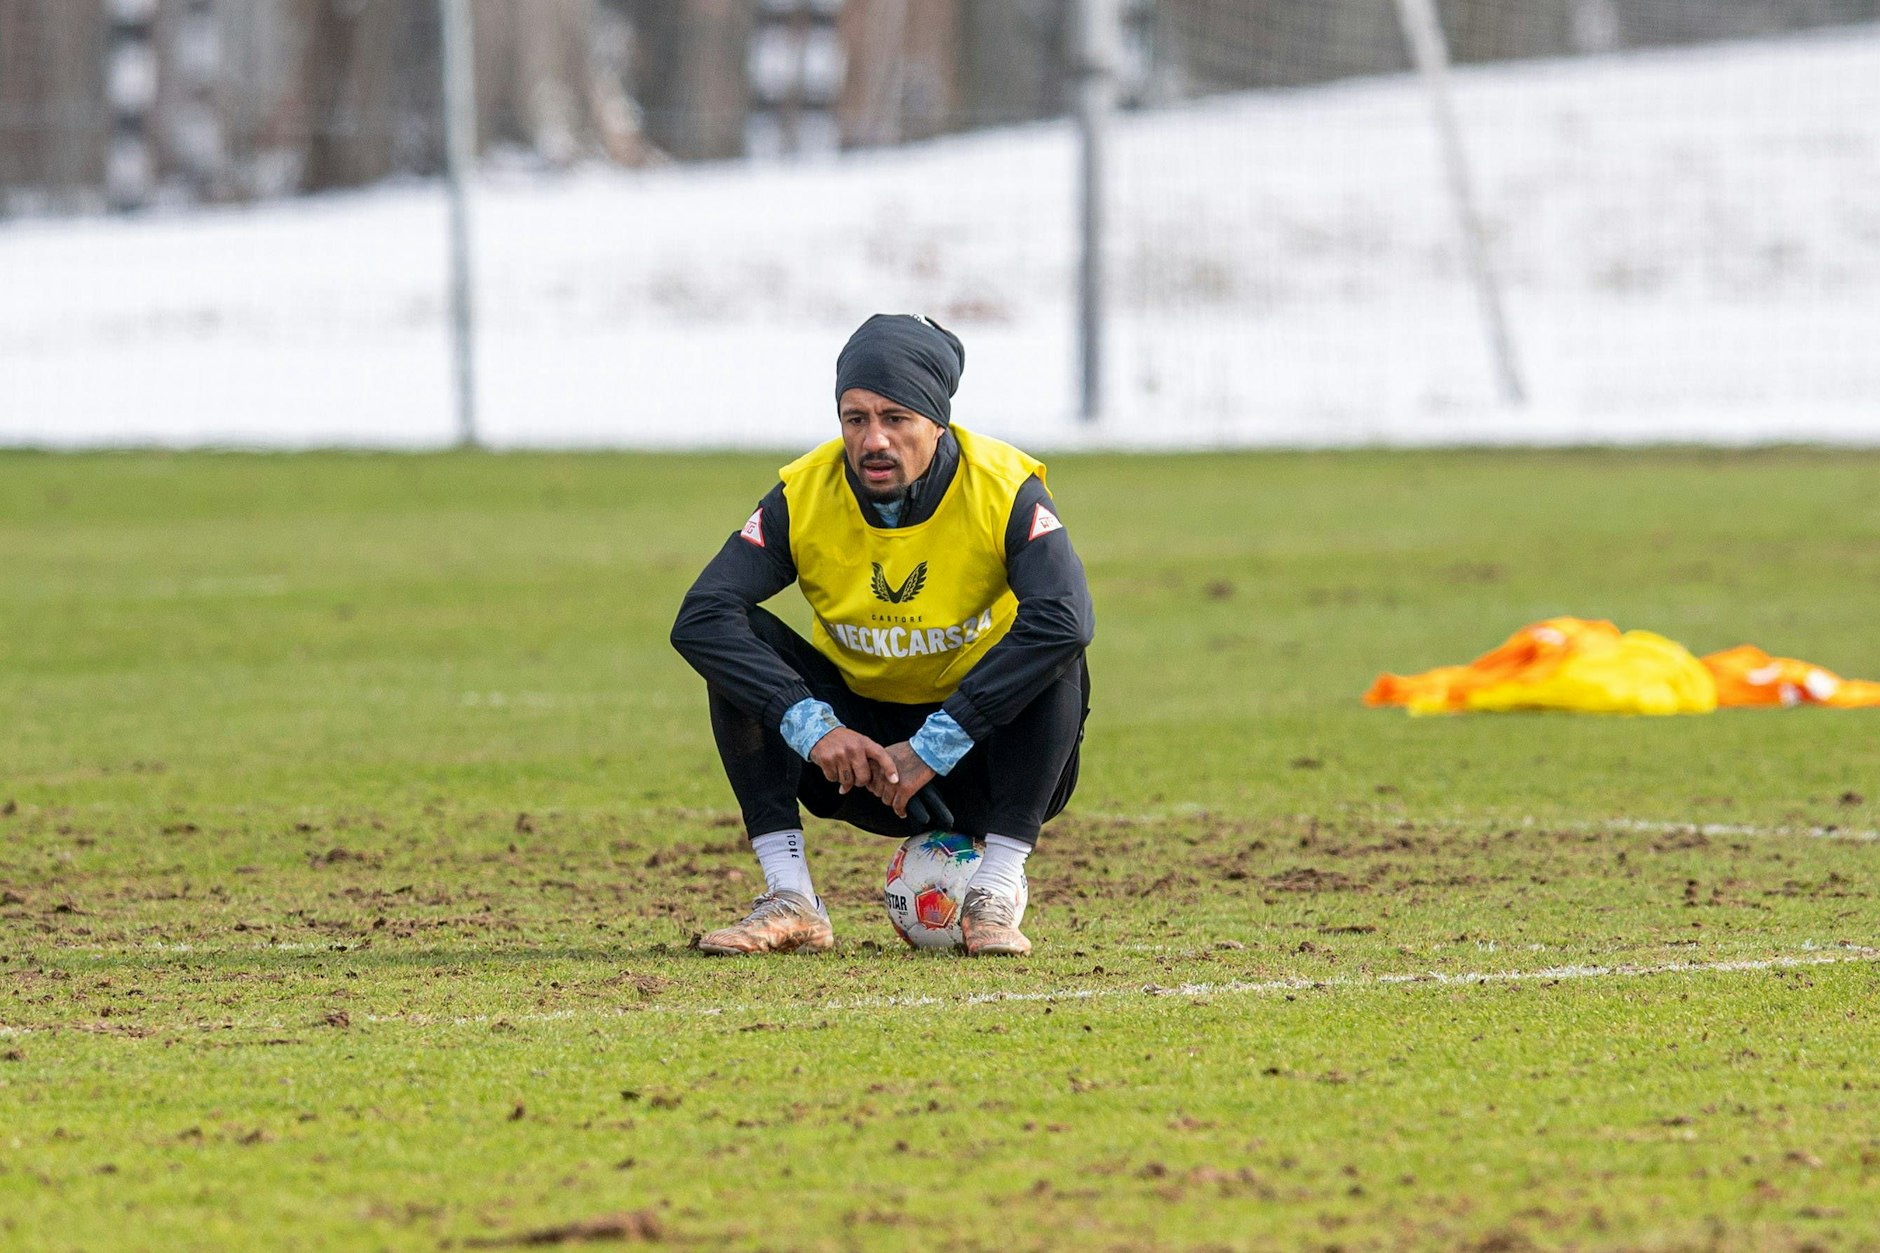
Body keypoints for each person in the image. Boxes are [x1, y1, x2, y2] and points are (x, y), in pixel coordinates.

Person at [670, 314, 1094, 957]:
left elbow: (1066, 617)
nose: (874, 440)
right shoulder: (803, 494)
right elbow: (701, 615)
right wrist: (814, 727)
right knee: (736, 646)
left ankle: (996, 893)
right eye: (855, 418)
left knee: (1057, 645)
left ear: (938, 422)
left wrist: (934, 745)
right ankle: (792, 899)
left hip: (987, 759)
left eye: (896, 418)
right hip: (859, 766)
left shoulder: (1006, 490)